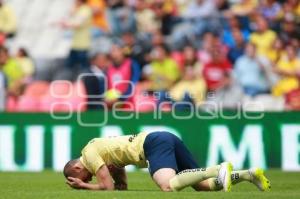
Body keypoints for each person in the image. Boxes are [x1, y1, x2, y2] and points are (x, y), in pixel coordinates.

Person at [63, 131, 271, 192]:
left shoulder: (89, 155)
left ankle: (218, 168)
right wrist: (119, 181)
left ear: (77, 167)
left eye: (79, 176)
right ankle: (247, 174)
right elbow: (120, 185)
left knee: (168, 186)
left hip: (152, 144)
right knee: (203, 186)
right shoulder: (97, 150)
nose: (87, 176)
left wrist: (84, 186)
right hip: (163, 138)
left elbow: (107, 188)